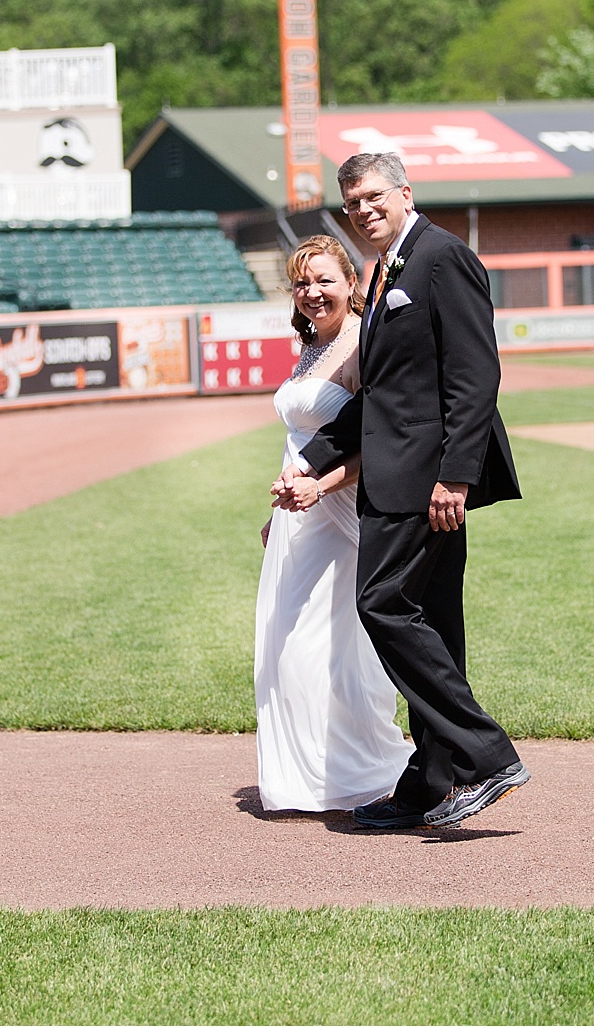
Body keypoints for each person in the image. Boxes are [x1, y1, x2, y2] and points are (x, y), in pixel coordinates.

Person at [273, 152, 528, 830]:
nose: (362, 209)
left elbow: (475, 376)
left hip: (426, 478)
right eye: (352, 200)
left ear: (404, 192)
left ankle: (486, 754)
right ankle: (429, 780)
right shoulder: (388, 270)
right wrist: (311, 463)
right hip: (399, 474)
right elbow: (380, 398)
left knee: (381, 601)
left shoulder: (442, 256)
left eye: (372, 195)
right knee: (435, 624)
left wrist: (457, 474)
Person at [254, 234, 412, 813]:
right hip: (298, 515)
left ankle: (362, 771)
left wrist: (317, 487)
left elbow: (376, 439)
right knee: (285, 647)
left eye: (324, 280)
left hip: (341, 510)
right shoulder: (312, 348)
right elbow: (301, 440)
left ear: (352, 283)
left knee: (335, 651)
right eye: (302, 283)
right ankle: (312, 776)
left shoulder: (362, 345)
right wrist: (279, 511)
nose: (313, 292)